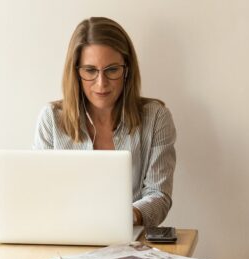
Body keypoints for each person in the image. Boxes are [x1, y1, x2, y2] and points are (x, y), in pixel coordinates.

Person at [33, 17, 176, 227]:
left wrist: (127, 216)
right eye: (90, 71)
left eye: (112, 70)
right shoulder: (51, 119)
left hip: (130, 242)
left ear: (126, 70)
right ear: (76, 72)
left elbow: (159, 196)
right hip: (65, 238)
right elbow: (40, 194)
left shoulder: (156, 117)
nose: (101, 83)